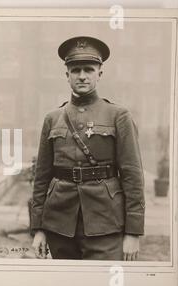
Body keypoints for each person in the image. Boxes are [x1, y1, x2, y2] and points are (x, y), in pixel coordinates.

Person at [30, 36, 145, 261]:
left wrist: (133, 231)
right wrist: (39, 228)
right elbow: (41, 178)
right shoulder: (52, 119)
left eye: (89, 69)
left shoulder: (118, 116)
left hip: (106, 223)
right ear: (67, 75)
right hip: (59, 223)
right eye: (75, 70)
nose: (82, 76)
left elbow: (132, 175)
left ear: (99, 74)